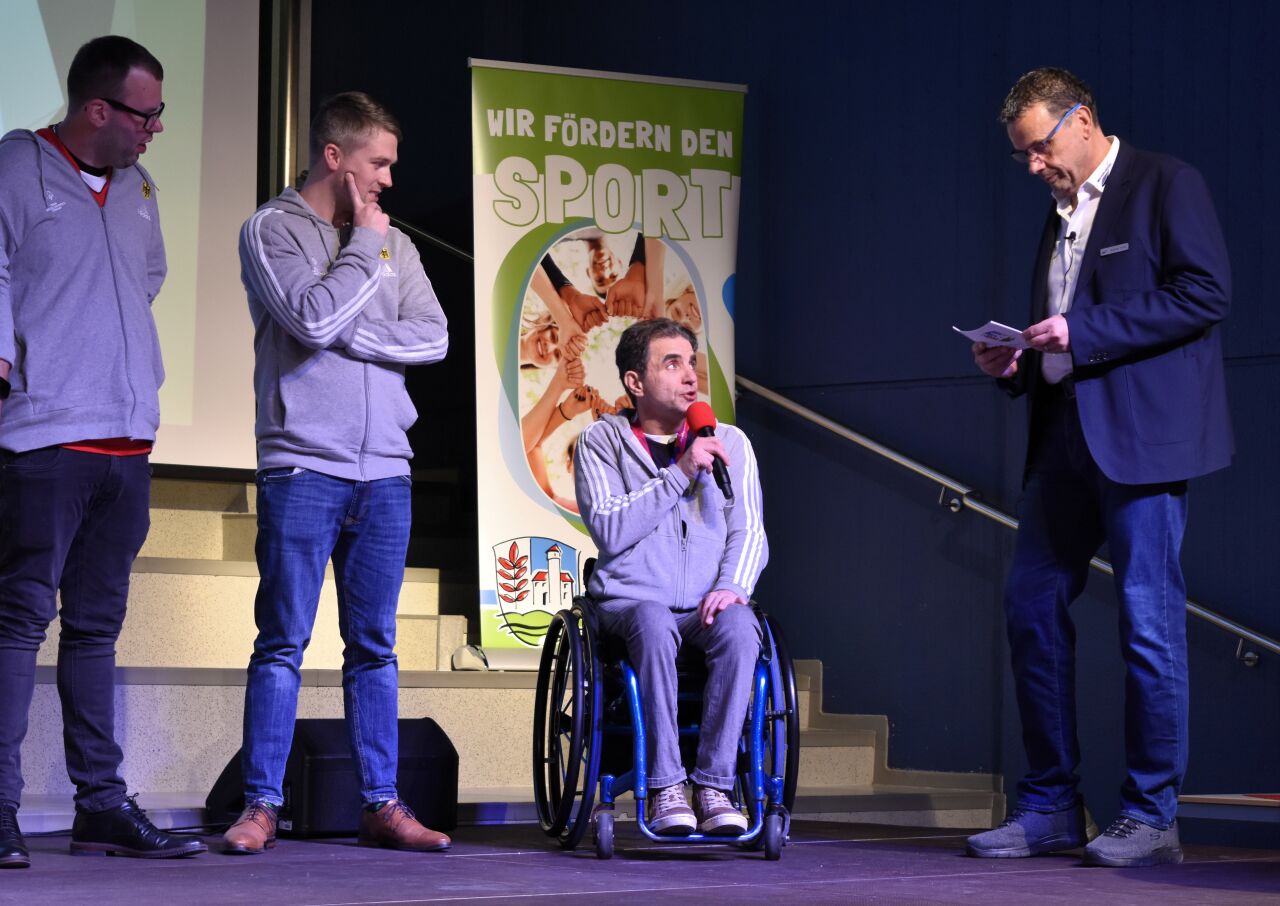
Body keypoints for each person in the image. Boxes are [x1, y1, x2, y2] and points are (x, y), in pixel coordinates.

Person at [966, 68, 1232, 868]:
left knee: (1148, 622)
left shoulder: (1165, 184)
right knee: (1030, 608)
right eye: (1023, 155)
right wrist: (1013, 362)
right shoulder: (1060, 212)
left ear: (1082, 120)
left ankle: (1151, 813)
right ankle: (1050, 804)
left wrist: (1083, 333)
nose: (1034, 165)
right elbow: (1058, 331)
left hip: (1142, 442)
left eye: (1040, 147)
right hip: (1061, 439)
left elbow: (1205, 293)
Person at [0, 35, 209, 868]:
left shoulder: (138, 188)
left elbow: (145, 279)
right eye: (146, 115)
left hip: (127, 439)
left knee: (96, 630)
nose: (156, 129)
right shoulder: (18, 166)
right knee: (19, 622)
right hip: (47, 436)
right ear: (98, 108)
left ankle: (100, 806)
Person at [224, 92, 450, 855]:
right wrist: (362, 253)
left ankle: (381, 803)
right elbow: (310, 319)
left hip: (385, 469)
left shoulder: (398, 244)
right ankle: (261, 804)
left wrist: (350, 330)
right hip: (302, 464)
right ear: (334, 156)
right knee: (282, 641)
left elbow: (434, 338)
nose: (388, 179)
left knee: (375, 646)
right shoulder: (272, 229)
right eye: (378, 162)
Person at [574, 318, 768, 835]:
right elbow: (610, 528)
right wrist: (681, 471)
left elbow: (749, 529)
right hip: (631, 605)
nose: (689, 376)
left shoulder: (729, 441)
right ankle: (664, 786)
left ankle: (715, 785)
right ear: (635, 382)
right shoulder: (601, 441)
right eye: (672, 363)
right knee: (654, 620)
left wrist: (732, 586)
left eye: (692, 363)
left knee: (741, 627)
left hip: (705, 606)